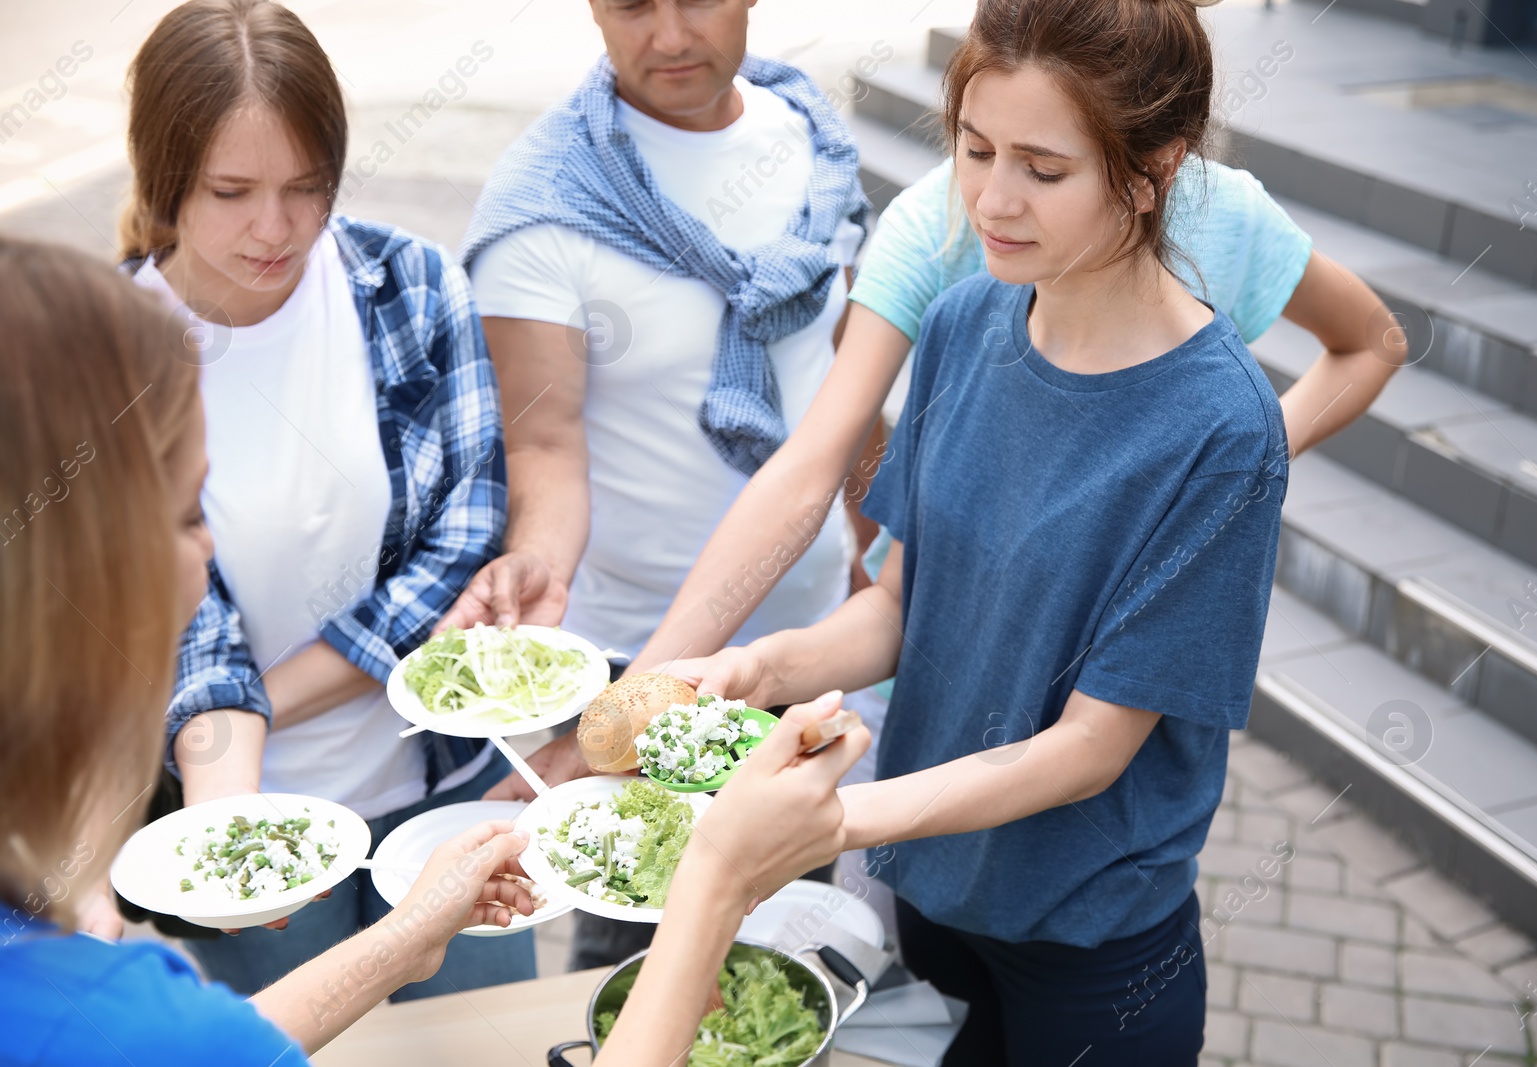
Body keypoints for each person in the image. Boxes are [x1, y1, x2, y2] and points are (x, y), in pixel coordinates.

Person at [0, 237, 869, 1067]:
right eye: (193, 515)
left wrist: (406, 938)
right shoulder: (98, 1012)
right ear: (82, 571)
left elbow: (224, 1042)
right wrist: (716, 873)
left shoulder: (93, 987)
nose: (210, 558)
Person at [667, 0, 1294, 1060]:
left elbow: (1090, 750)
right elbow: (905, 607)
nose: (992, 200)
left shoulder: (1220, 429)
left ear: (1153, 167)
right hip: (937, 885)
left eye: (1043, 170)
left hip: (1092, 945)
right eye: (974, 149)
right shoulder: (963, 323)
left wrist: (835, 824)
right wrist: (760, 662)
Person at [444, 0, 872, 967]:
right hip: (634, 661)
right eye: (634, 4)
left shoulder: (814, 144)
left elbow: (845, 380)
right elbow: (546, 447)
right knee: (641, 953)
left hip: (798, 642)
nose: (671, 36)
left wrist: (864, 553)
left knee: (778, 950)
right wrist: (534, 563)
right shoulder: (544, 205)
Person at [117, 0, 525, 998]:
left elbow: (461, 544)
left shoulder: (414, 287)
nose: (276, 227)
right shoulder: (110, 350)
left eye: (308, 187)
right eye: (230, 191)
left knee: (493, 1035)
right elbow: (181, 623)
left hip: (443, 789)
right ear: (166, 180)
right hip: (255, 810)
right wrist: (230, 823)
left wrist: (258, 700)